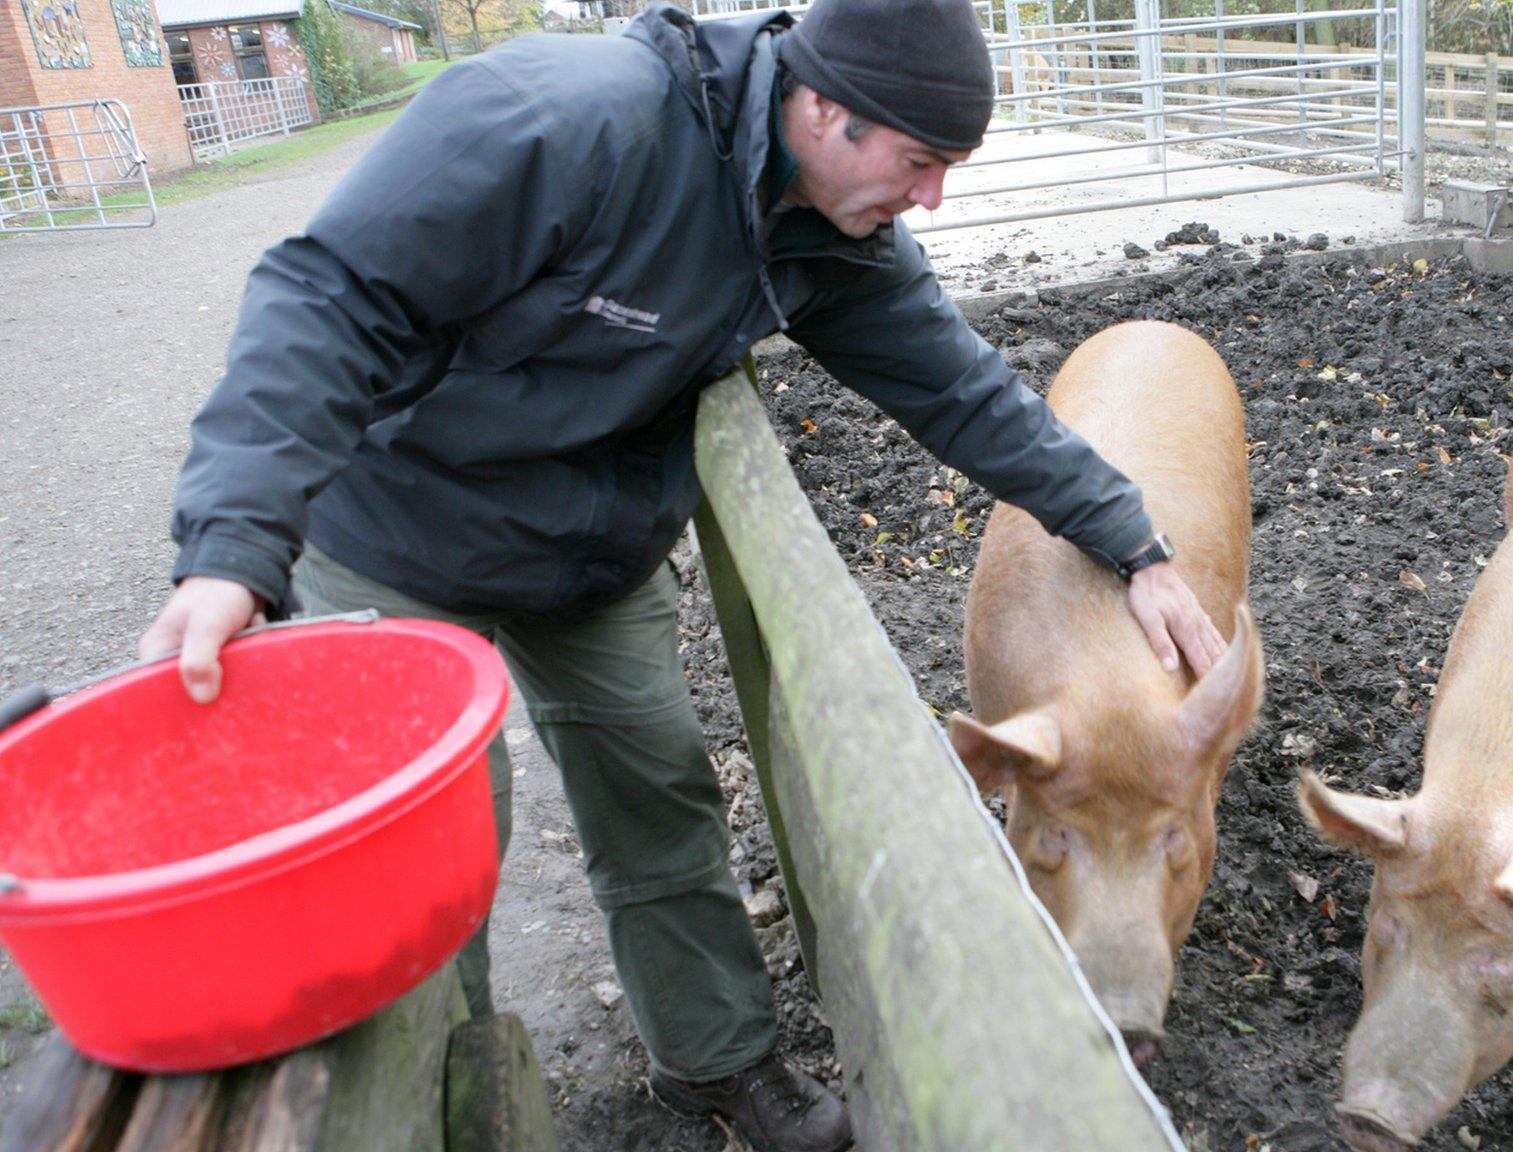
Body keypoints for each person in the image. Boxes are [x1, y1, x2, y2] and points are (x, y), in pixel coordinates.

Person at [138, 2, 1225, 1149]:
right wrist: (231, 547)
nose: (931, 199)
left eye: (946, 169)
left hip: (584, 547)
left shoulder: (825, 227)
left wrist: (1133, 544)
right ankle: (438, 1111)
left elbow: (961, 391)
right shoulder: (570, 122)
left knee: (657, 788)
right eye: (919, 162)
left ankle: (715, 1060)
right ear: (824, 107)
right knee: (430, 845)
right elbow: (325, 292)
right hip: (401, 517)